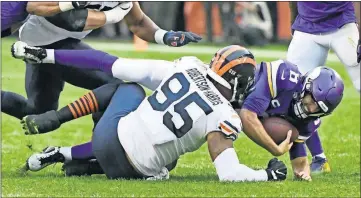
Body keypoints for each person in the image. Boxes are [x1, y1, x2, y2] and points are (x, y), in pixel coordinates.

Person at [13, 43, 292, 181]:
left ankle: (59, 127)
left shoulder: (186, 66)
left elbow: (108, 63)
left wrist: (48, 55)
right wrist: (266, 175)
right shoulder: (226, 118)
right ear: (240, 83)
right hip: (132, 171)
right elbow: (229, 174)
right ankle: (68, 154)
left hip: (107, 139)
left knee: (130, 87)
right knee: (167, 160)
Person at [2, 1, 202, 129]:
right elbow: (70, 19)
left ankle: (94, 150)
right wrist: (110, 16)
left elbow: (138, 22)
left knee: (37, 111)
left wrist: (165, 36)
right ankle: (98, 152)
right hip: (42, 42)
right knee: (114, 88)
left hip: (48, 44)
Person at [238, 60, 344, 181]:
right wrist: (275, 149)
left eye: (318, 108)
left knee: (291, 133)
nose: (311, 109)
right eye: (313, 100)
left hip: (239, 112)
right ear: (308, 85)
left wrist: (303, 173)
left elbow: (300, 162)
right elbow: (247, 115)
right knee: (228, 122)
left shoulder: (308, 121)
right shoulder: (285, 76)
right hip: (232, 92)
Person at [287, 1, 359, 173]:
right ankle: (319, 158)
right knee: (295, 93)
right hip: (306, 26)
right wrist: (294, 21)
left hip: (342, 25)